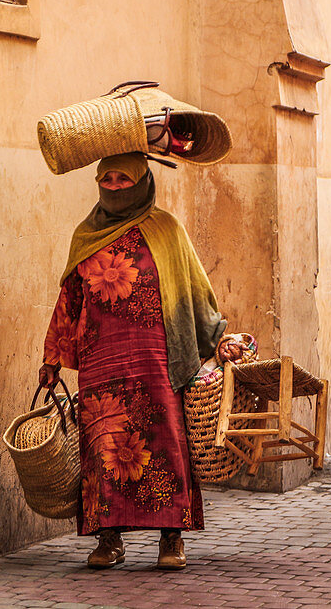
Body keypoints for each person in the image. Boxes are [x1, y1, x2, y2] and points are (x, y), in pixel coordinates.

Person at [39, 152, 226, 570]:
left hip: (157, 361)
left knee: (165, 444)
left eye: (126, 179)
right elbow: (69, 300)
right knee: (104, 448)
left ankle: (172, 538)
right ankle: (109, 540)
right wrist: (52, 357)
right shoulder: (85, 235)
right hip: (101, 362)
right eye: (109, 179)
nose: (117, 186)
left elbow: (195, 289)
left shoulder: (167, 230)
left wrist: (218, 337)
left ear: (142, 181)